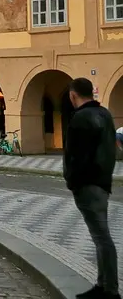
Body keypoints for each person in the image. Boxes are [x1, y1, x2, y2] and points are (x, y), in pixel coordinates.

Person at [64, 77, 119, 299]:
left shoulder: (80, 118)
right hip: (103, 182)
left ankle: (111, 291)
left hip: (88, 184)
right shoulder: (105, 114)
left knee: (102, 237)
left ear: (73, 95)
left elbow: (76, 156)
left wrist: (73, 181)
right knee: (100, 236)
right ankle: (102, 285)